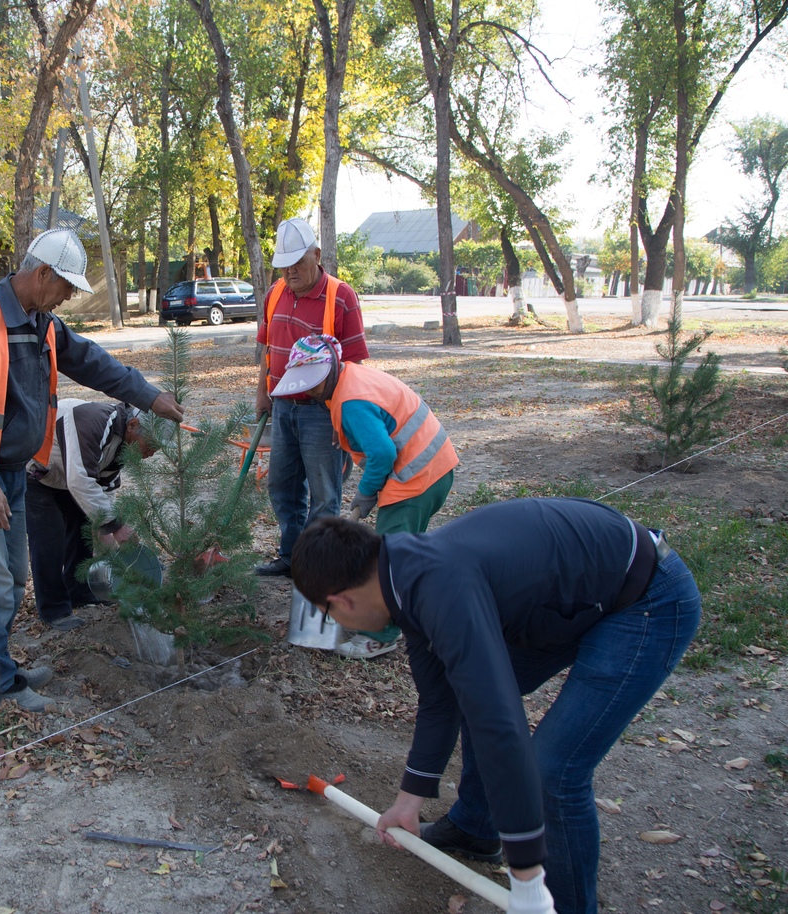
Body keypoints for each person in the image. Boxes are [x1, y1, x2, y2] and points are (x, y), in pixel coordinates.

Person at [290, 498, 701, 914]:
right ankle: (475, 828)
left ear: (340, 601)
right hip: (577, 593)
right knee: (467, 686)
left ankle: (565, 906)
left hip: (646, 599)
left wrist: (527, 883)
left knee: (553, 771)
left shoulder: (439, 588)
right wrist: (408, 801)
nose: (337, 622)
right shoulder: (400, 574)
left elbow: (498, 723)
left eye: (328, 615)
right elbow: (440, 699)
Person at [0, 228, 184, 713]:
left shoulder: (41, 321)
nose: (69, 297)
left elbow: (92, 362)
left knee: (15, 575)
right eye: (66, 286)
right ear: (42, 273)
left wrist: (147, 395)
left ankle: (3, 669)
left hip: (15, 471)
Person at [270, 333, 457, 660]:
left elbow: (383, 453)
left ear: (329, 370)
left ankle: (380, 635)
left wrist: (366, 494)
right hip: (437, 467)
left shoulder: (351, 401)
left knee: (390, 559)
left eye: (313, 383)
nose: (309, 390)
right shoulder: (348, 379)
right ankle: (410, 609)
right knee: (405, 552)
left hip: (416, 477)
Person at [254, 217, 369, 578]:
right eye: (284, 266)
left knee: (324, 493)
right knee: (282, 485)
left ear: (316, 255)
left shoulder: (340, 296)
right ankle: (291, 555)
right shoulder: (274, 293)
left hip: (324, 410)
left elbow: (354, 364)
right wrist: (262, 391)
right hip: (284, 407)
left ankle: (320, 566)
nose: (290, 273)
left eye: (297, 264)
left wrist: (345, 417)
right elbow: (268, 348)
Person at [25, 398, 156, 631]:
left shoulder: (123, 445)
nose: (152, 453)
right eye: (152, 444)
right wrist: (116, 526)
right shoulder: (92, 421)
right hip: (37, 471)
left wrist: (108, 533)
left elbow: (106, 490)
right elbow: (81, 480)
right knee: (48, 538)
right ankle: (54, 610)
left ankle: (79, 591)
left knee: (83, 530)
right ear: (133, 425)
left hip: (69, 478)